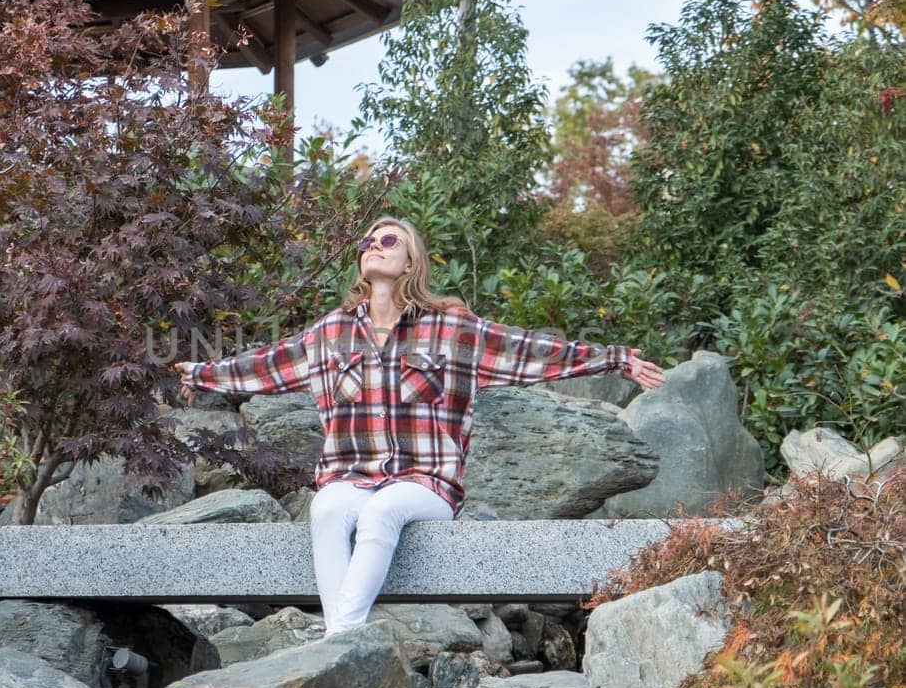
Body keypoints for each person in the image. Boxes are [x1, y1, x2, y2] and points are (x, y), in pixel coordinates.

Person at [175, 215, 665, 636]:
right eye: (367, 241)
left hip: (425, 481)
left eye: (388, 241)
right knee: (327, 511)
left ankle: (338, 640)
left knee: (380, 513)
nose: (374, 246)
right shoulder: (330, 332)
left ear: (410, 263)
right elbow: (265, 364)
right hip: (350, 474)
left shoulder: (450, 329)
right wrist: (201, 373)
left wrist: (615, 359)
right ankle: (342, 638)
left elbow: (530, 350)